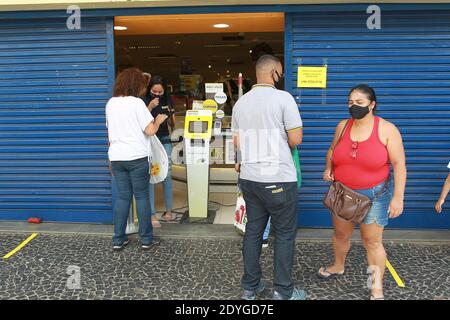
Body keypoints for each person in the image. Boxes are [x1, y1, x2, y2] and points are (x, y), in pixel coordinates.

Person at [318, 84, 407, 300]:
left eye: (359, 103)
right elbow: (332, 149)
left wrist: (398, 198)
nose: (353, 106)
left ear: (372, 104)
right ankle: (338, 266)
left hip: (374, 195)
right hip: (343, 193)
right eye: (350, 102)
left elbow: (399, 164)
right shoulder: (342, 126)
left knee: (372, 242)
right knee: (341, 234)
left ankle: (376, 286)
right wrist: (329, 167)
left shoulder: (387, 129)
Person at [232, 55, 305, 300]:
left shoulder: (240, 103)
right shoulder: (283, 99)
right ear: (274, 73)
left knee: (253, 231)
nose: (281, 77)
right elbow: (296, 140)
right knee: (284, 234)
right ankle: (283, 291)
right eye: (280, 73)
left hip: (250, 178)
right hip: (279, 178)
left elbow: (237, 142)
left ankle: (250, 287)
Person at [106, 68, 167, 251]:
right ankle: (146, 239)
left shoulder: (111, 103)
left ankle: (118, 239)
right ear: (135, 84)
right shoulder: (137, 103)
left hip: (117, 157)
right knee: (141, 196)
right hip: (137, 157)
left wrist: (111, 160)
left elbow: (110, 134)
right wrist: (158, 121)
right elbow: (149, 130)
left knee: (123, 197)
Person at [145, 76, 176, 223]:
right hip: (149, 141)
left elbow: (172, 122)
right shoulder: (144, 101)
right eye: (154, 91)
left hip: (164, 139)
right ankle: (152, 213)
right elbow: (140, 121)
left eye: (160, 92)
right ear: (149, 89)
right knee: (151, 174)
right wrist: (150, 106)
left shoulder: (168, 100)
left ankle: (169, 211)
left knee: (166, 173)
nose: (157, 94)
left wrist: (171, 117)